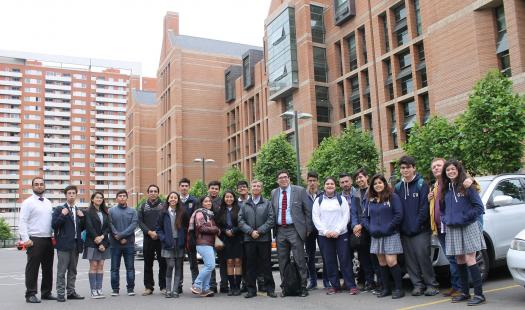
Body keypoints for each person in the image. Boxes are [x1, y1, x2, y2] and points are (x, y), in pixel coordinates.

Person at [440, 159, 486, 306]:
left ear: (458, 170)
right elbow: (442, 209)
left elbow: (479, 208)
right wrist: (446, 219)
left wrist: (464, 217)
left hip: (468, 226)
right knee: (459, 259)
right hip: (453, 228)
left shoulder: (467, 185)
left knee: (470, 258)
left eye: (453, 169)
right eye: (448, 170)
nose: (451, 172)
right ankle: (464, 292)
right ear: (445, 173)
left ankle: (479, 295)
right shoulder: (446, 189)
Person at [428, 158, 474, 298]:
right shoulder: (434, 186)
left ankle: (461, 288)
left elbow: (473, 189)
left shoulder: (451, 183)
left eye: (439, 166)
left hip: (451, 226)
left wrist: (471, 180)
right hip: (440, 228)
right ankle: (457, 287)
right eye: (434, 166)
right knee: (452, 258)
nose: (436, 168)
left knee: (457, 258)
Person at [395, 156, 439, 296]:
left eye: (408, 167)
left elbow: (424, 207)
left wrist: (416, 225)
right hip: (405, 231)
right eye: (402, 168)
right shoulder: (398, 187)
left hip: (420, 230)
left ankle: (431, 285)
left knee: (423, 257)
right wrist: (403, 227)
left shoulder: (421, 184)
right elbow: (397, 209)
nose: (405, 170)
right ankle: (417, 285)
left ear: (414, 168)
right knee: (410, 261)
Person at [362, 174, 405, 299]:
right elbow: (364, 218)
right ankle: (386, 288)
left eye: (380, 182)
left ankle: (398, 289)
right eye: (375, 184)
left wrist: (389, 227)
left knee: (391, 261)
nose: (377, 185)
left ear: (385, 184)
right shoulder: (370, 200)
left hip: (391, 234)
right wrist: (370, 229)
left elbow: (399, 215)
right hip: (376, 235)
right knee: (381, 263)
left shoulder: (393, 197)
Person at [271, 170, 312, 297]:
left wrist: (308, 228)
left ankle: (303, 286)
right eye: (280, 178)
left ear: (289, 178)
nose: (283, 179)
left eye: (285, 177)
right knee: (282, 261)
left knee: (299, 259)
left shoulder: (299, 191)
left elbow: (307, 211)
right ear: (277, 180)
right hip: (280, 230)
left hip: (295, 230)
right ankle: (286, 287)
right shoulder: (274, 192)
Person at [313, 177, 357, 295]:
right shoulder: (318, 200)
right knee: (329, 261)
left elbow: (346, 217)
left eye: (332, 184)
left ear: (335, 186)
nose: (330, 185)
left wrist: (337, 230)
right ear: (324, 186)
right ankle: (335, 286)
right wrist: (325, 231)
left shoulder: (341, 199)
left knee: (345, 260)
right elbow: (316, 218)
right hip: (324, 236)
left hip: (341, 235)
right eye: (327, 184)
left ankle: (351, 285)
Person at [19, 177, 57, 303]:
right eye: (36, 184)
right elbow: (22, 221)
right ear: (32, 187)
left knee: (48, 268)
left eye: (41, 184)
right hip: (34, 239)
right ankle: (30, 294)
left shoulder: (48, 202)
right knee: (33, 268)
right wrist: (25, 239)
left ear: (44, 186)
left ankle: (46, 292)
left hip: (47, 238)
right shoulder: (27, 202)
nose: (39, 186)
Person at [238, 180, 276, 298]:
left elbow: (271, 219)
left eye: (258, 186)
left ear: (261, 188)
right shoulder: (244, 204)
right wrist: (250, 231)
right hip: (249, 239)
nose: (256, 187)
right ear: (250, 188)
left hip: (264, 239)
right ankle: (251, 290)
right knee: (250, 265)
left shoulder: (267, 203)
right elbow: (240, 221)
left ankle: (270, 289)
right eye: (254, 186)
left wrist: (259, 231)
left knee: (266, 265)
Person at [51, 185, 85, 302]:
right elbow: (54, 225)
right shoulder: (59, 209)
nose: (71, 195)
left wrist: (83, 218)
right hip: (64, 245)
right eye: (69, 193)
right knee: (62, 270)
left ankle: (71, 292)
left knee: (73, 270)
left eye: (73, 193)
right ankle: (61, 293)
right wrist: (62, 215)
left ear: (76, 195)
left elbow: (83, 227)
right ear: (66, 195)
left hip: (76, 244)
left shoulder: (78, 210)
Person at [156, 192, 189, 298]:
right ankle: (168, 290)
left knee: (179, 266)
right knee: (170, 265)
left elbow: (186, 227)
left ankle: (175, 290)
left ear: (178, 200)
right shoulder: (163, 212)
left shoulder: (182, 212)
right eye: (171, 197)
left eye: (175, 197)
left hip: (179, 242)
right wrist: (163, 238)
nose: (173, 199)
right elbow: (158, 228)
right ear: (168, 199)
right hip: (168, 242)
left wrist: (183, 238)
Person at [351, 169, 378, 293]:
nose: (359, 180)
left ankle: (381, 282)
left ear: (367, 177)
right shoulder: (355, 194)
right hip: (360, 231)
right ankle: (369, 282)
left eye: (361, 177)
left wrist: (361, 225)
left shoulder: (373, 191)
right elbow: (354, 212)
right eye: (357, 178)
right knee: (364, 258)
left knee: (375, 257)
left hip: (371, 228)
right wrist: (355, 226)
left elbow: (371, 211)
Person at [137, 184, 166, 296]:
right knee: (148, 264)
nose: (153, 193)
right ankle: (148, 287)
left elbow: (166, 222)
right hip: (148, 238)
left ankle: (163, 286)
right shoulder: (143, 206)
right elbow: (140, 222)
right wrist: (149, 232)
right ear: (147, 193)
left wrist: (158, 233)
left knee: (163, 263)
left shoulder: (164, 205)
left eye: (155, 191)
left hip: (160, 239)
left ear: (158, 193)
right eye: (151, 191)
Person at [109, 190, 138, 296]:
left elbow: (133, 225)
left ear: (127, 198)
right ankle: (115, 289)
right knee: (114, 268)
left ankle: (130, 289)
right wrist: (118, 236)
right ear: (117, 198)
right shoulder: (111, 211)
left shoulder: (133, 211)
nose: (122, 197)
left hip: (129, 243)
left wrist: (121, 236)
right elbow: (110, 225)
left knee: (130, 268)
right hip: (114, 244)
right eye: (120, 196)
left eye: (124, 196)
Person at [83, 191, 111, 299]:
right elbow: (89, 228)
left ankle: (99, 289)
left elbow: (108, 228)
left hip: (104, 243)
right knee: (93, 265)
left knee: (101, 266)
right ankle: (93, 290)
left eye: (101, 198)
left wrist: (102, 239)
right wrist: (98, 240)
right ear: (92, 199)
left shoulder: (105, 212)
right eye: (97, 197)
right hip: (92, 242)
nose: (99, 199)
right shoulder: (88, 212)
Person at [215, 190, 243, 295]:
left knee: (238, 261)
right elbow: (217, 225)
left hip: (238, 238)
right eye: (227, 197)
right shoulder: (220, 210)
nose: (229, 199)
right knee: (230, 262)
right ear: (224, 199)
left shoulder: (239, 208)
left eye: (231, 197)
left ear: (234, 198)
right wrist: (225, 231)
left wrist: (234, 231)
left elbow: (242, 222)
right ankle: (232, 287)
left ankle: (238, 287)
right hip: (225, 239)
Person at [304, 171, 329, 290]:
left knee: (325, 255)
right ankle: (312, 281)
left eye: (314, 181)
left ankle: (326, 281)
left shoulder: (323, 195)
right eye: (310, 181)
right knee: (310, 256)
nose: (312, 183)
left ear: (318, 182)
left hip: (321, 230)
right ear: (307, 181)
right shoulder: (302, 195)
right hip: (308, 230)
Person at [191, 196, 220, 297]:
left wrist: (214, 228)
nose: (209, 203)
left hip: (209, 243)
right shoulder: (200, 213)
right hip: (203, 243)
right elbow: (201, 228)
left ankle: (205, 289)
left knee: (209, 266)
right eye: (206, 201)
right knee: (210, 266)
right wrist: (215, 229)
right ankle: (197, 285)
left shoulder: (209, 214)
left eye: (210, 201)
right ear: (201, 203)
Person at [179, 177, 199, 289]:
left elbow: (196, 217)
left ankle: (195, 284)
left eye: (186, 186)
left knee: (193, 261)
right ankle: (179, 284)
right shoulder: (175, 199)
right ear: (179, 187)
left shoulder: (194, 201)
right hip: (179, 235)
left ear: (189, 187)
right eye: (182, 186)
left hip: (190, 235)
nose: (184, 188)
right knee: (179, 262)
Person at [206, 180, 226, 293]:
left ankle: (224, 284)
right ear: (209, 189)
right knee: (210, 261)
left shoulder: (222, 202)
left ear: (219, 190)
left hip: (220, 235)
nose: (214, 190)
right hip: (208, 236)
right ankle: (212, 285)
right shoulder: (204, 200)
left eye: (216, 188)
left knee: (222, 261)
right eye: (212, 188)